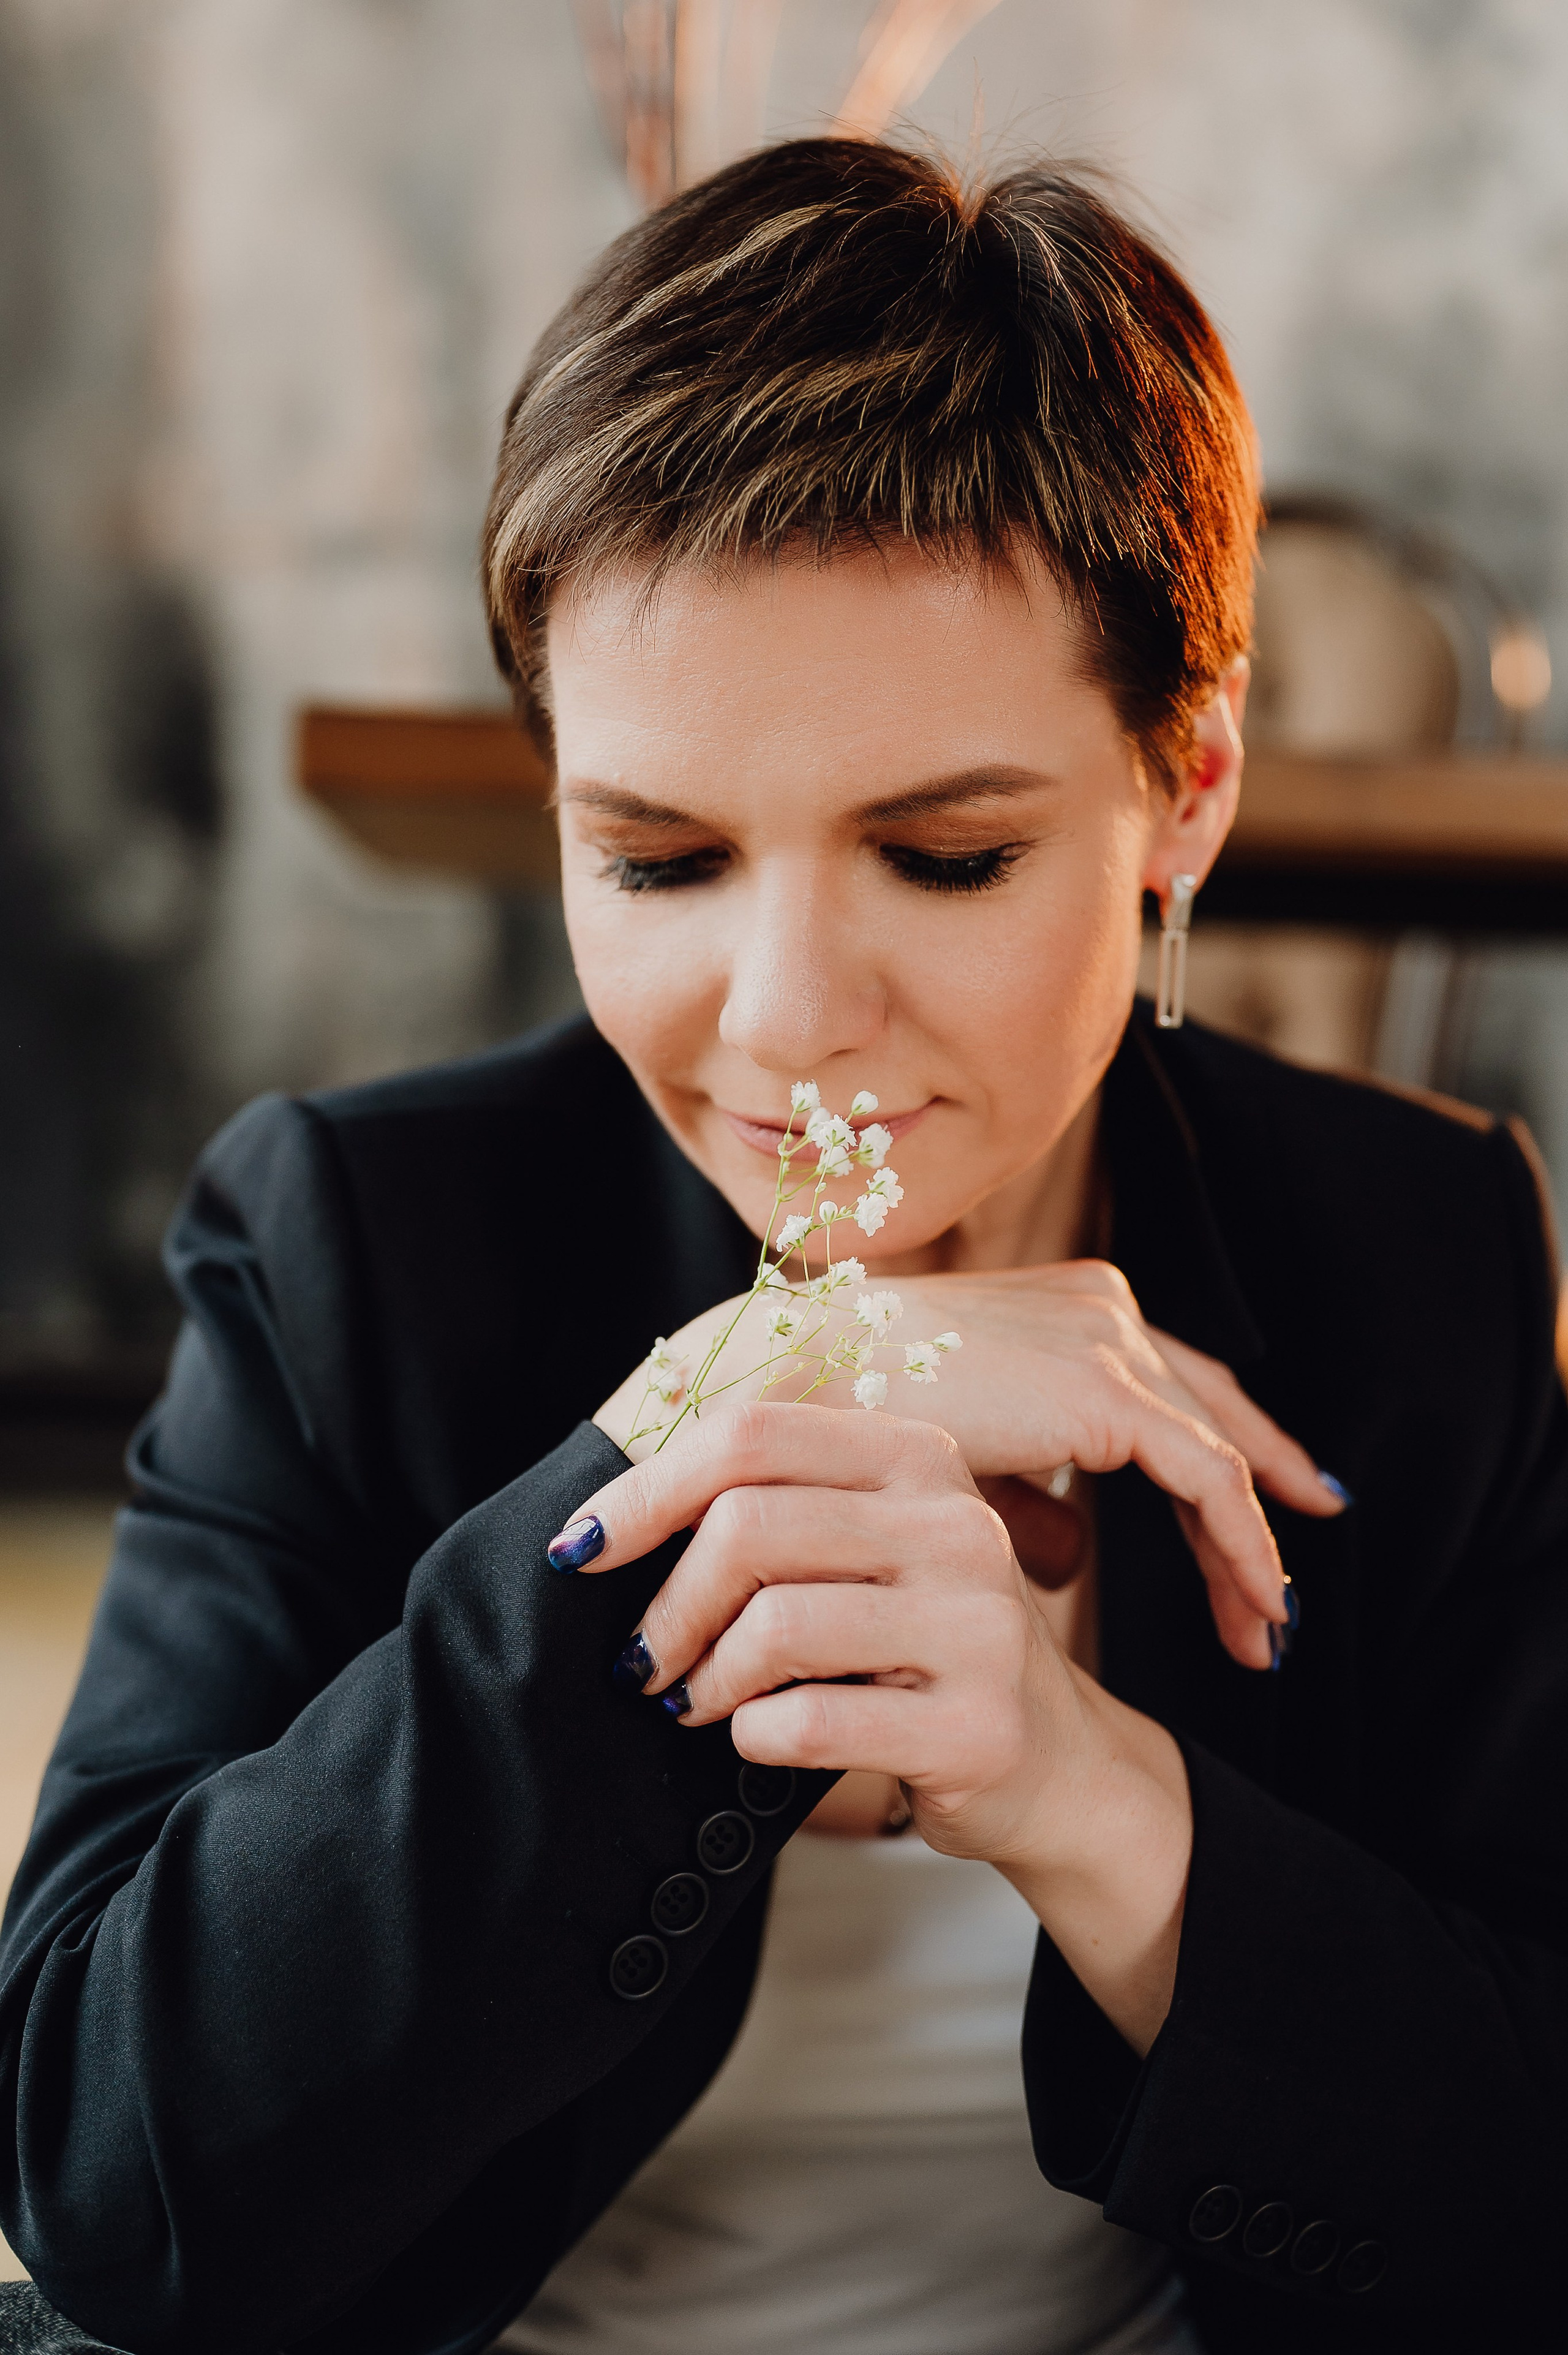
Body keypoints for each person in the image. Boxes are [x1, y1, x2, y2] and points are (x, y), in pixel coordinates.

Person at [2, 137, 1565, 2355]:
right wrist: (730, 1432)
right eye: (657, 861)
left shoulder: (1420, 1262)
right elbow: (110, 2191)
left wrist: (1091, 1794)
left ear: (1187, 786)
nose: (784, 1015)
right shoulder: (358, 1240)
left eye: (941, 858)